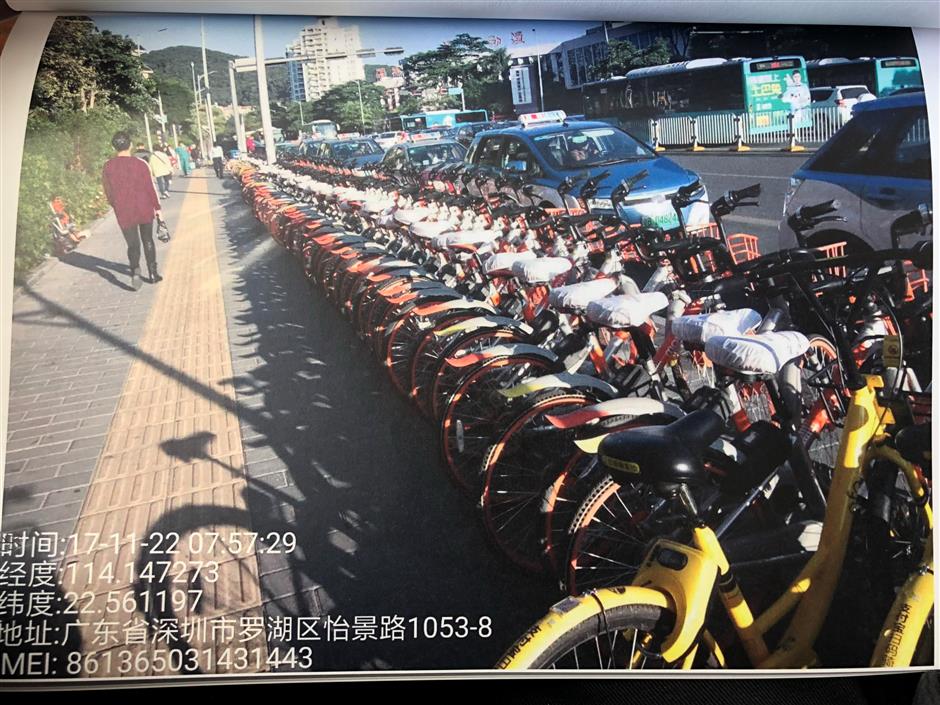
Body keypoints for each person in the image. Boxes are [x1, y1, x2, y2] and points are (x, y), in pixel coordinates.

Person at [102, 131, 163, 290]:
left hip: (124, 210)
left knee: (132, 244)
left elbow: (108, 192)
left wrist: (116, 205)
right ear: (130, 145)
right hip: (144, 207)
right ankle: (152, 273)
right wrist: (157, 208)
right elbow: (150, 188)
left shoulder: (108, 166)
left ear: (114, 146)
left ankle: (135, 270)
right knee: (148, 240)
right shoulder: (141, 164)